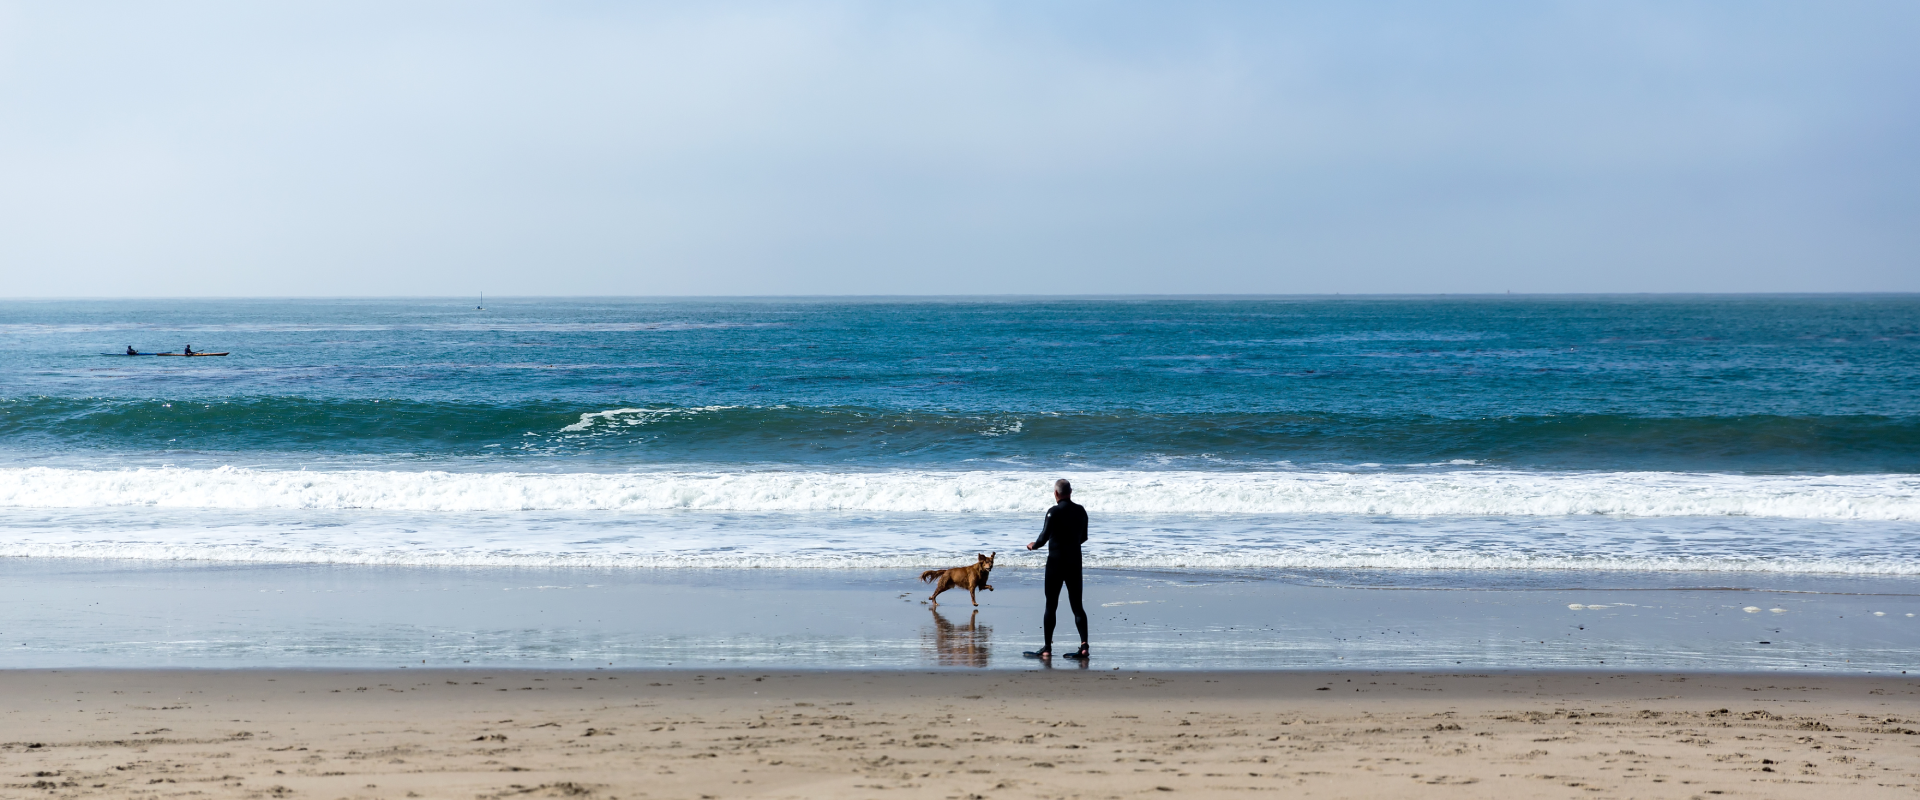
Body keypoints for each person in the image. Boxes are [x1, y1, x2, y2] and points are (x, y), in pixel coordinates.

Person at [1023, 478, 1089, 661]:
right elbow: (1084, 537)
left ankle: (1047, 648)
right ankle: (1084, 647)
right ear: (1070, 492)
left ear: (1056, 493)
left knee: (1051, 605)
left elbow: (1043, 537)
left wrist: (1034, 545)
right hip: (1074, 562)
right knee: (1077, 606)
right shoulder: (1081, 511)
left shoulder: (1053, 512)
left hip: (1056, 563)